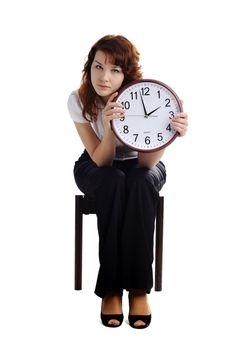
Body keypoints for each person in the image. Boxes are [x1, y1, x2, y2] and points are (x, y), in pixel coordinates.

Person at [67, 35, 188, 329]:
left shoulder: (145, 96)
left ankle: (137, 289)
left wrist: (167, 135)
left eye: (115, 70)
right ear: (89, 67)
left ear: (127, 75)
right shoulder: (79, 99)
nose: (104, 77)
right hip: (97, 163)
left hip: (143, 163)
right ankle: (110, 289)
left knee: (139, 182)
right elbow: (100, 160)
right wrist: (109, 128)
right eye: (98, 67)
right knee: (113, 180)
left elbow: (148, 164)